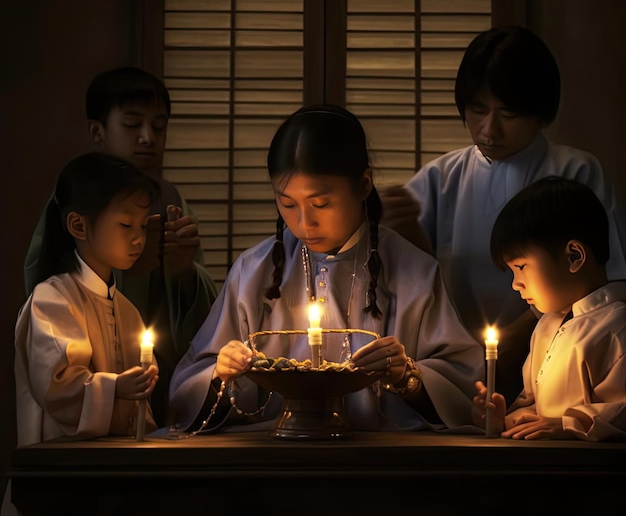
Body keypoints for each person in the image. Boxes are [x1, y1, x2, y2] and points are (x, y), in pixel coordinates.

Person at [167, 104, 485, 436]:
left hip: (385, 456)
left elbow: (464, 387)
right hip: (272, 453)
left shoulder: (413, 270)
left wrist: (406, 374)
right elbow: (189, 388)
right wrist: (222, 373)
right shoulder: (254, 270)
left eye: (321, 204)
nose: (305, 223)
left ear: (363, 185)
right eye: (287, 204)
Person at [381, 25, 626, 407]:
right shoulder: (441, 177)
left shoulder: (575, 172)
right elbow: (411, 276)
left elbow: (604, 282)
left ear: (541, 114)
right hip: (455, 357)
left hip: (563, 351)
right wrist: (407, 232)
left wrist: (518, 335)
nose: (489, 129)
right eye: (478, 111)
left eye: (508, 113)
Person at [23, 66, 219, 427]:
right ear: (98, 131)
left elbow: (202, 324)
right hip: (84, 393)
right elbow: (46, 280)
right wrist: (129, 269)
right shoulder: (74, 200)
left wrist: (183, 273)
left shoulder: (171, 200)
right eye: (132, 125)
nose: (148, 137)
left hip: (159, 380)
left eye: (159, 127)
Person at [14, 152, 160, 446]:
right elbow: (57, 387)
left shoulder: (127, 310)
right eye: (126, 225)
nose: (138, 239)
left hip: (118, 457)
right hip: (66, 463)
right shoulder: (52, 301)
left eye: (143, 226)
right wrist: (116, 386)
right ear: (79, 226)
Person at [473, 176, 626, 441]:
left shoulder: (616, 327)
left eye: (521, 267)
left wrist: (569, 425)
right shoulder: (546, 326)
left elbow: (620, 411)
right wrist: (505, 419)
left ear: (574, 256)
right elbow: (534, 408)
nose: (516, 284)